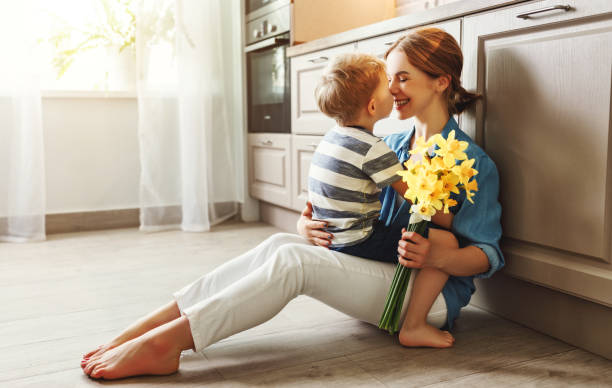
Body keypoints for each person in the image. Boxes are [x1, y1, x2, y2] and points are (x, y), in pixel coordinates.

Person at [80, 27, 504, 380]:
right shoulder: (387, 143)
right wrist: (308, 227)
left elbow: (487, 255)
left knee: (295, 265)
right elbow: (342, 205)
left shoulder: (470, 162)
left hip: (427, 301)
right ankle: (148, 327)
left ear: (441, 81)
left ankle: (165, 345)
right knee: (282, 245)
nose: (391, 89)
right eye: (389, 79)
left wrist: (438, 256)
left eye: (403, 78)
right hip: (379, 270)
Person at [309, 52, 457, 346]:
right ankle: (414, 326)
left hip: (333, 236)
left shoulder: (331, 137)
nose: (393, 89)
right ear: (373, 105)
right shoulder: (372, 149)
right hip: (358, 240)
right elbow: (414, 195)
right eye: (387, 84)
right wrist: (445, 213)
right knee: (446, 243)